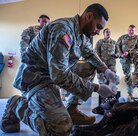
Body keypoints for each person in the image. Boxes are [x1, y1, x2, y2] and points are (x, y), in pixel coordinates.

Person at [0, 3, 118, 135]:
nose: (98, 32)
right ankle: (17, 105)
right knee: (61, 128)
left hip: (53, 76)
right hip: (35, 79)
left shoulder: (81, 34)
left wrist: (107, 71)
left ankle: (71, 109)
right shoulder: (62, 29)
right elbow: (60, 75)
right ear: (89, 16)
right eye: (98, 27)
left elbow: (90, 53)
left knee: (89, 66)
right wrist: (98, 88)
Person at [116, 25, 138, 98]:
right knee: (128, 75)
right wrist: (121, 54)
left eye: (133, 30)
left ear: (135, 31)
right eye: (130, 30)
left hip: (133, 55)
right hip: (124, 58)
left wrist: (129, 52)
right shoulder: (122, 37)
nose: (131, 31)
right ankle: (130, 94)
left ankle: (137, 76)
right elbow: (117, 46)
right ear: (128, 30)